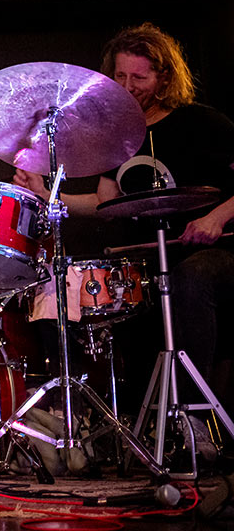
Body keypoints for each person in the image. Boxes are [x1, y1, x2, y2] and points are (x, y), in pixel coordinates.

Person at [15, 23, 234, 460]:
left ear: (164, 78)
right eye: (119, 76)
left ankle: (192, 416)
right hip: (150, 257)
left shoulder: (204, 123)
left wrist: (216, 215)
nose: (127, 86)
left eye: (139, 78)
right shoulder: (118, 136)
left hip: (215, 251)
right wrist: (47, 194)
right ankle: (109, 422)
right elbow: (103, 203)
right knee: (86, 285)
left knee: (191, 279)